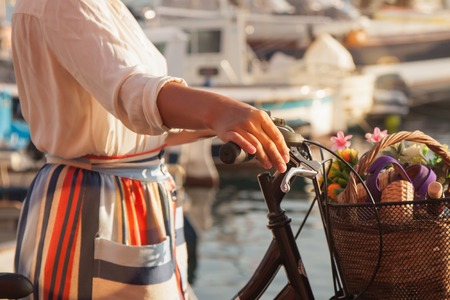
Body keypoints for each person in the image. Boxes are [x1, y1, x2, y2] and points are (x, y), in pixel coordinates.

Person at [10, 0, 289, 299]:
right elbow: (131, 92)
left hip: (126, 193)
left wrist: (225, 123)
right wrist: (216, 111)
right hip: (100, 203)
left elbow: (128, 121)